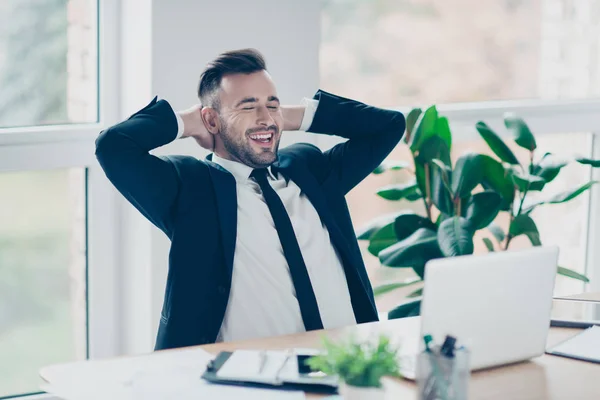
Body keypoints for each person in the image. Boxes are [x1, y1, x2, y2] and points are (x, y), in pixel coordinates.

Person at [95, 48, 405, 350]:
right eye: (247, 106)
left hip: (346, 367)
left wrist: (288, 116)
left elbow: (388, 126)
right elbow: (114, 147)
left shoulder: (310, 168)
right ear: (212, 121)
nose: (265, 119)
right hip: (250, 381)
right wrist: (188, 123)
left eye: (272, 103)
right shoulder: (190, 188)